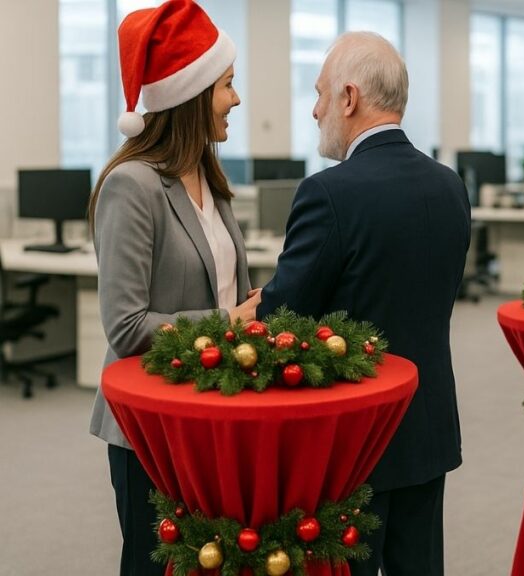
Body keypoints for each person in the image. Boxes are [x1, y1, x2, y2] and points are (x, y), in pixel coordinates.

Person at [256, 31, 470, 576]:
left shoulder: (328, 193)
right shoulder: (450, 186)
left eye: (320, 94)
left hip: (353, 439)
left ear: (349, 99)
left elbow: (285, 318)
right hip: (427, 424)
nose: (314, 110)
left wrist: (259, 301)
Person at [87, 1, 261, 574]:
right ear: (190, 94)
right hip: (152, 429)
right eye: (227, 85)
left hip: (212, 411)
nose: (236, 100)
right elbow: (126, 327)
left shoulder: (212, 178)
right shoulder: (131, 186)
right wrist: (229, 322)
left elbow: (229, 284)